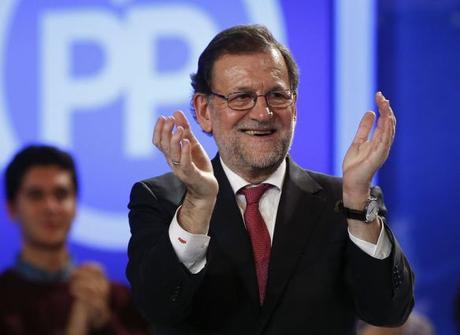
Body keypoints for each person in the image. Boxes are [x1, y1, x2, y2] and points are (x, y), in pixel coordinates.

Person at [126, 24, 414, 334]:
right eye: (241, 97)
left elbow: (389, 310)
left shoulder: (344, 202)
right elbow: (159, 308)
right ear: (204, 110)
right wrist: (198, 203)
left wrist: (357, 201)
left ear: (295, 106)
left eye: (277, 95)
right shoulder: (161, 200)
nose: (263, 113)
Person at [1, 145, 149, 335]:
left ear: (75, 205)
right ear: (12, 208)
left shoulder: (116, 299)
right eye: (36, 195)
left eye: (61, 194)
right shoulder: (4, 301)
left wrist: (104, 321)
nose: (51, 207)